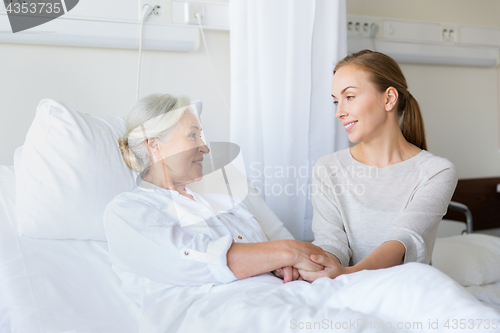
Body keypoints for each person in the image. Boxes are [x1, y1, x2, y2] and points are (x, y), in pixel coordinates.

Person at [103, 93, 324, 310]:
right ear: (155, 146)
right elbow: (193, 260)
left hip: (288, 298)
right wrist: (286, 252)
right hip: (219, 313)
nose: (205, 147)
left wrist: (277, 263)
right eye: (192, 136)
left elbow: (268, 258)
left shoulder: (223, 200)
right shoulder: (128, 211)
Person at [298, 49, 459, 282]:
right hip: (345, 288)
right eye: (336, 101)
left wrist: (349, 274)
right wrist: (316, 266)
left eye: (349, 97)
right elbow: (331, 242)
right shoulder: (328, 168)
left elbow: (403, 239)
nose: (339, 112)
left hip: (406, 291)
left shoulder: (436, 172)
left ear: (389, 98)